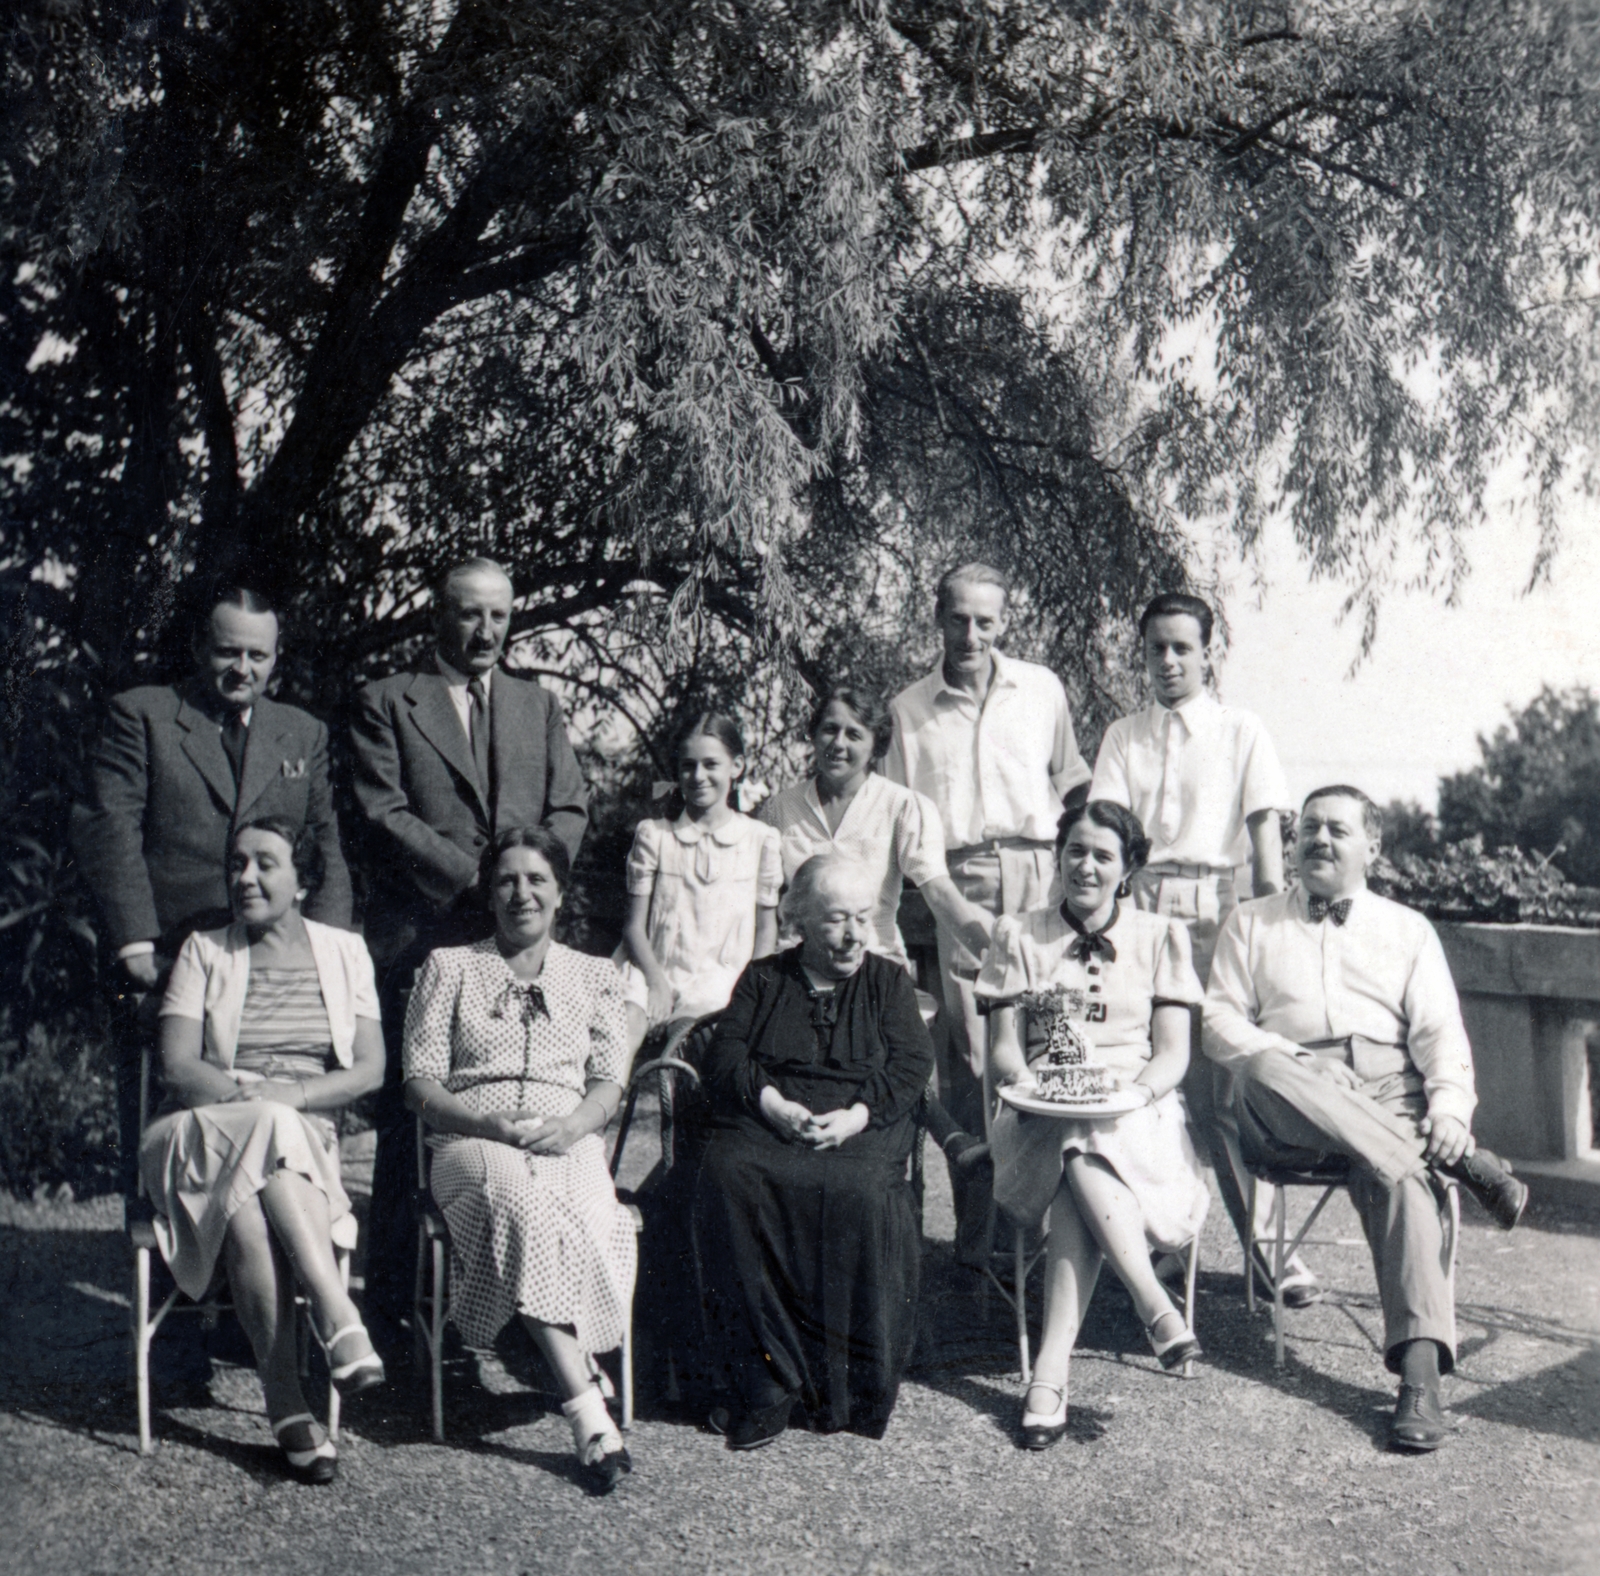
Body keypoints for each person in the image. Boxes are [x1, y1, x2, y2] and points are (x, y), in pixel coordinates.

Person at [1203, 785, 1530, 1452]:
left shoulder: (1407, 930)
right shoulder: (1251, 921)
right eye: (1310, 828)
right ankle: (1460, 1166)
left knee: (1402, 1180)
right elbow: (1217, 1021)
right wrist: (1301, 1060)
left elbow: (1440, 1034)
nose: (1319, 839)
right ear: (1293, 845)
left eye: (1338, 830)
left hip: (1390, 1094)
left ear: (1372, 848)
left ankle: (1419, 1382)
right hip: (1285, 1098)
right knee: (1262, 1067)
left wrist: (1449, 1110)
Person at [351, 557, 589, 1341]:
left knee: (513, 1105)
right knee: (412, 1113)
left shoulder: (537, 704)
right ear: (438, 617)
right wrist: (475, 878)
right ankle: (392, 1304)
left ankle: (508, 1300)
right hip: (424, 932)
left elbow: (569, 806)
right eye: (468, 614)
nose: (485, 631)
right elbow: (382, 811)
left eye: (498, 616)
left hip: (515, 940)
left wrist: (523, 888)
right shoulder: (388, 701)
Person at [71, 580, 352, 1190]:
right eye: (229, 652)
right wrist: (136, 944)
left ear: (276, 658)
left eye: (258, 656)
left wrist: (328, 952)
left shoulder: (301, 733)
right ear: (201, 648)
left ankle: (267, 1259)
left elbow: (323, 841)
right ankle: (170, 1263)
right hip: (169, 955)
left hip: (276, 964)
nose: (242, 668)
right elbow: (108, 827)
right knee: (163, 1108)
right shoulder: (142, 714)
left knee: (277, 1119)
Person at [139, 818, 384, 1484]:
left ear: (302, 881)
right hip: (197, 1129)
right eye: (238, 864)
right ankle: (336, 1315)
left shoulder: (343, 952)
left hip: (298, 1138)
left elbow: (369, 1070)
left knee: (250, 1197)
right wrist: (259, 1102)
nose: (245, 877)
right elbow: (179, 1068)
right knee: (263, 1136)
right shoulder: (203, 950)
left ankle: (285, 1405)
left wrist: (293, 1097)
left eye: (265, 864)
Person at [1088, 592, 1312, 1302]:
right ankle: (1160, 1245)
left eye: (1182, 647)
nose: (1168, 661)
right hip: (1143, 909)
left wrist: (1273, 934)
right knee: (1151, 1082)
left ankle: (1272, 1253)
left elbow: (1267, 854)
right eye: (1155, 647)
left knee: (1228, 1089)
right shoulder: (1124, 735)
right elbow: (1111, 836)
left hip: (1219, 911)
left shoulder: (1242, 730)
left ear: (1208, 652)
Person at [402, 826, 635, 1491]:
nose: (521, 893)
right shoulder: (450, 967)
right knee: (520, 1202)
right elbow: (419, 1082)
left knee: (601, 1217)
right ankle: (586, 1404)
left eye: (537, 879)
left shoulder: (595, 976)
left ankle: (561, 1360)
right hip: (472, 1141)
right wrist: (484, 1122)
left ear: (560, 893)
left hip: (566, 1136)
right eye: (507, 879)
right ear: (489, 892)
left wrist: (570, 1127)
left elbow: (609, 1083)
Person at [979, 801, 1208, 1449]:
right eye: (1075, 850)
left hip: (1140, 1115)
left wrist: (1129, 1094)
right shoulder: (1018, 934)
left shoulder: (1161, 936)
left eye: (1103, 855)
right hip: (1038, 1115)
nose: (1086, 865)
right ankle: (1152, 1302)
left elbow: (1172, 1055)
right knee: (1075, 1136)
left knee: (1086, 1144)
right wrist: (1025, 1085)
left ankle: (1049, 1374)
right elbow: (1002, 1049)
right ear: (1058, 856)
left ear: (1128, 868)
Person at [884, 562, 1092, 1266]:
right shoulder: (910, 709)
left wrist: (1091, 851)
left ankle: (1053, 1234)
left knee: (1048, 1036)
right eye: (958, 619)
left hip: (1040, 869)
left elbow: (1073, 779)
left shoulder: (1042, 689)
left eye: (986, 621)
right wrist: (939, 893)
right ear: (937, 618)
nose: (971, 634)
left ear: (1005, 622)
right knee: (972, 1056)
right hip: (959, 878)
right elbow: (901, 815)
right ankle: (982, 1242)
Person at [692, 855, 935, 1449]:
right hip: (769, 1119)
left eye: (863, 917)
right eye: (835, 921)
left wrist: (854, 1118)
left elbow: (911, 1064)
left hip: (860, 1124)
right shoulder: (763, 978)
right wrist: (773, 1104)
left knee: (860, 1193)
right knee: (726, 1176)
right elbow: (725, 1058)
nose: (854, 934)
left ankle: (844, 1390)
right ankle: (764, 1383)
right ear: (798, 920)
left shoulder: (887, 982)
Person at [758, 685, 990, 970]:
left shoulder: (902, 806)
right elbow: (758, 902)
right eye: (830, 729)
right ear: (814, 735)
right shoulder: (779, 810)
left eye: (854, 734)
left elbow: (939, 892)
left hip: (876, 966)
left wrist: (993, 957)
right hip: (797, 969)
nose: (838, 744)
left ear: (876, 747)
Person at [616, 711, 781, 1049]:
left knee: (694, 1037)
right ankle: (606, 1101)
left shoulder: (759, 839)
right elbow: (634, 927)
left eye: (711, 764)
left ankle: (672, 1095)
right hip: (652, 968)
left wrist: (752, 988)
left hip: (721, 979)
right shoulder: (656, 836)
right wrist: (657, 984)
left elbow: (766, 929)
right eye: (688, 765)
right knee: (625, 1024)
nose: (698, 776)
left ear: (736, 767)